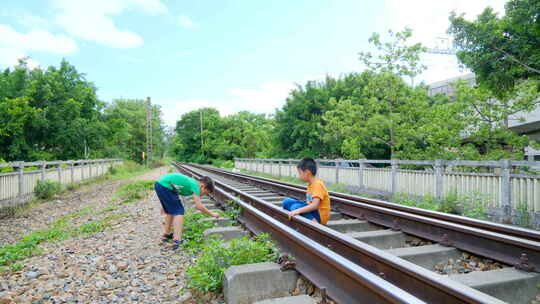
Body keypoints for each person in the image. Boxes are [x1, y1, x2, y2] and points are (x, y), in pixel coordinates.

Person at [154, 173, 219, 249]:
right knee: (179, 211)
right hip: (165, 186)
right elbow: (199, 206)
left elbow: (176, 187)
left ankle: (166, 234)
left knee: (171, 211)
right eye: (205, 193)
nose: (203, 195)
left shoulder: (192, 183)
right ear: (202, 186)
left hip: (160, 184)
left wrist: (165, 204)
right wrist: (212, 214)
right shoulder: (196, 186)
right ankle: (177, 240)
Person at [282, 158, 331, 225]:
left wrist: (298, 210)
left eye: (300, 173)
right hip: (313, 211)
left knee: (295, 207)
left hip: (320, 215)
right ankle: (306, 218)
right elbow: (309, 203)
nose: (299, 176)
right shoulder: (310, 185)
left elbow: (315, 205)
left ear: (307, 173)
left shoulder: (317, 184)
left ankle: (316, 224)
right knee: (286, 201)